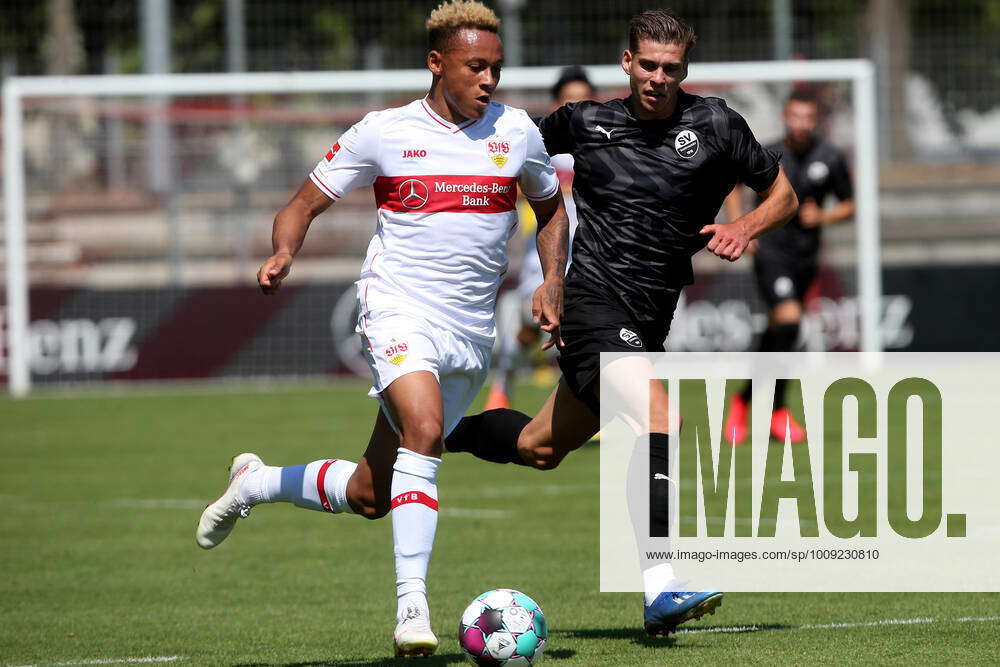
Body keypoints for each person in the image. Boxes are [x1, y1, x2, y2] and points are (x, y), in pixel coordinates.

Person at [194, 1, 567, 657]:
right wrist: (285, 251)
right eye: (475, 66)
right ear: (436, 63)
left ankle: (253, 481)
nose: (489, 80)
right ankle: (412, 610)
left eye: (496, 69)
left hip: (469, 332)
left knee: (373, 491)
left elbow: (550, 206)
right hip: (395, 305)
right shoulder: (382, 131)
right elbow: (301, 204)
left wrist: (552, 276)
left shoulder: (519, 132)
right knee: (426, 431)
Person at [445, 9, 798, 635]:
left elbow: (784, 195)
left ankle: (432, 433)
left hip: (648, 317)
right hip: (592, 303)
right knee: (660, 417)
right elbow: (506, 149)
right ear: (627, 63)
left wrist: (744, 227)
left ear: (684, 70)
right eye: (648, 65)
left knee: (539, 447)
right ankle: (661, 584)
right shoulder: (585, 122)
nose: (659, 77)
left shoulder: (715, 123)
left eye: (671, 68)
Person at [723, 89, 854, 444]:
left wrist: (823, 215)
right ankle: (776, 411)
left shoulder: (828, 156)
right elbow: (733, 185)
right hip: (771, 251)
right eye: (794, 116)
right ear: (785, 116)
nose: (800, 124)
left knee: (781, 331)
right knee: (792, 321)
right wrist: (742, 229)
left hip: (806, 257)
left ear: (815, 120)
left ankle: (743, 401)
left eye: (807, 118)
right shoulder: (767, 152)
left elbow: (849, 204)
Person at [486, 66, 596, 410]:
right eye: (569, 101)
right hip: (547, 257)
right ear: (556, 106)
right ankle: (502, 383)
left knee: (586, 328)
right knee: (529, 327)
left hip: (594, 254)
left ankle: (584, 408)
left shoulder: (607, 148)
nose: (577, 108)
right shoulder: (541, 147)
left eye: (584, 101)